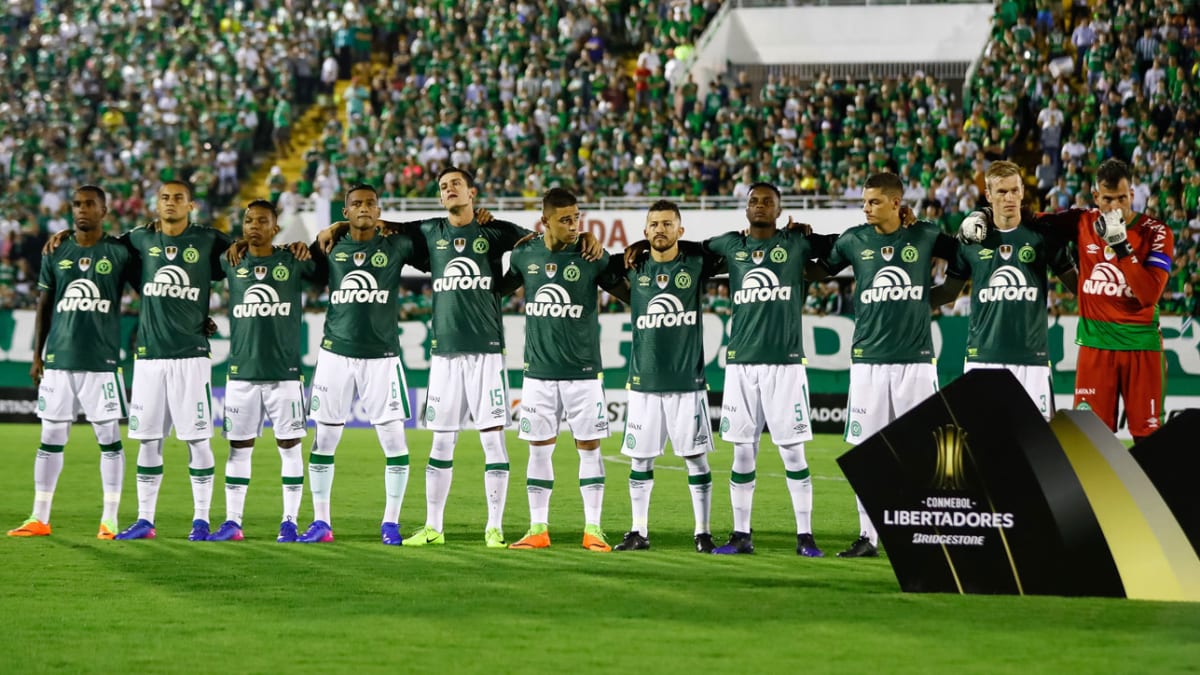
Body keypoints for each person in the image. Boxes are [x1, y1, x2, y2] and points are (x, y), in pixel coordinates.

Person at [819, 172, 962, 558]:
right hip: (867, 362)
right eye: (864, 202)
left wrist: (931, 298)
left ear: (896, 203)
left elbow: (965, 259)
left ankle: (928, 532)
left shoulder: (925, 235)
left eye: (874, 202)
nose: (866, 208)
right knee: (867, 453)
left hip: (915, 363)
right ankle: (868, 537)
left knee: (926, 452)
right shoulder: (854, 239)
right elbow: (821, 265)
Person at [499, 188, 629, 552]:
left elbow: (633, 293)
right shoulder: (525, 253)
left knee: (590, 449)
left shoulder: (591, 256)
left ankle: (593, 529)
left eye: (577, 218)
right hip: (538, 373)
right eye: (565, 220)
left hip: (583, 373)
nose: (574, 225)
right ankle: (538, 529)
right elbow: (498, 286)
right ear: (546, 222)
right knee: (538, 451)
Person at [1006, 159, 1174, 441]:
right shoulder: (1082, 222)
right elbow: (1033, 220)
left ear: (1132, 194)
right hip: (1096, 349)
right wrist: (988, 216)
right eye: (1108, 200)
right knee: (1090, 439)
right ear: (1096, 198)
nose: (1116, 207)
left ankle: (1152, 487)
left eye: (1123, 198)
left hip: (1142, 349)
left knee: (1149, 439)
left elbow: (1148, 296)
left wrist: (1122, 246)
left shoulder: (1156, 232)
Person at [705, 182, 830, 556]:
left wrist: (811, 232)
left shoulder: (797, 244)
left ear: (779, 210)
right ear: (745, 210)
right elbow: (687, 252)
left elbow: (839, 247)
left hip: (786, 365)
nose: (759, 206)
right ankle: (741, 535)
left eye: (767, 202)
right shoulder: (731, 246)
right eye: (754, 201)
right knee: (743, 454)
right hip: (741, 365)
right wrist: (642, 246)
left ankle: (805, 536)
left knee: (793, 453)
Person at [8, 186, 137, 539]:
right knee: (50, 437)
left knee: (108, 438)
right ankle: (39, 516)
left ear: (104, 210)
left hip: (102, 361)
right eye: (77, 205)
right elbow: (44, 305)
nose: (82, 210)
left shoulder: (119, 252)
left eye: (89, 204)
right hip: (58, 361)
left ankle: (110, 518)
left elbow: (150, 286)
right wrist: (37, 354)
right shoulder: (57, 251)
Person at [297, 184, 423, 545]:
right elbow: (296, 265)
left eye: (371, 203)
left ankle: (391, 522)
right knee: (324, 438)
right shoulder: (330, 248)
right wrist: (323, 233)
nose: (364, 208)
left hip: (382, 358)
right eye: (356, 204)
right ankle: (321, 522)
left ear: (379, 208)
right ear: (346, 212)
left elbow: (428, 230)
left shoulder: (396, 245)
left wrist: (380, 223)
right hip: (335, 355)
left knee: (394, 440)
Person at [115, 181, 235, 541]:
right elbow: (104, 248)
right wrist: (63, 237)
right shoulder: (140, 239)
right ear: (157, 203)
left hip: (190, 356)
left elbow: (248, 257)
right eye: (165, 198)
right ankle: (145, 520)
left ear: (191, 205)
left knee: (197, 440)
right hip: (150, 357)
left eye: (178, 198)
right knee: (149, 441)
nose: (170, 203)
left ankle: (200, 520)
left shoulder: (209, 239)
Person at [612, 200, 723, 553]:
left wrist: (646, 245)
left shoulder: (695, 263)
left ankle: (702, 532)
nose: (660, 229)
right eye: (654, 225)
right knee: (640, 460)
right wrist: (637, 249)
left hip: (687, 383)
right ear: (644, 231)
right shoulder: (632, 266)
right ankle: (638, 531)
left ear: (680, 230)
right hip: (644, 383)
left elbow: (724, 247)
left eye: (667, 224)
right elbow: (596, 264)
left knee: (696, 458)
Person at [932, 161, 1078, 421]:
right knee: (983, 445)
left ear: (1023, 191)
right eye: (1001, 192)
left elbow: (1078, 288)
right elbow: (949, 292)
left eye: (1014, 190)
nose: (1009, 197)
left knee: (1037, 445)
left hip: (1032, 359)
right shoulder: (971, 240)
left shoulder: (1044, 237)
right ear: (988, 195)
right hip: (982, 359)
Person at [209, 200, 318, 543]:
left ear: (275, 227)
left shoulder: (293, 260)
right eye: (248, 220)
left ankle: (289, 521)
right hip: (241, 373)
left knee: (290, 447)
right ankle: (232, 521)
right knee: (239, 448)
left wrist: (303, 243)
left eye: (262, 221)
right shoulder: (231, 260)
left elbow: (324, 264)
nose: (253, 225)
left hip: (284, 373)